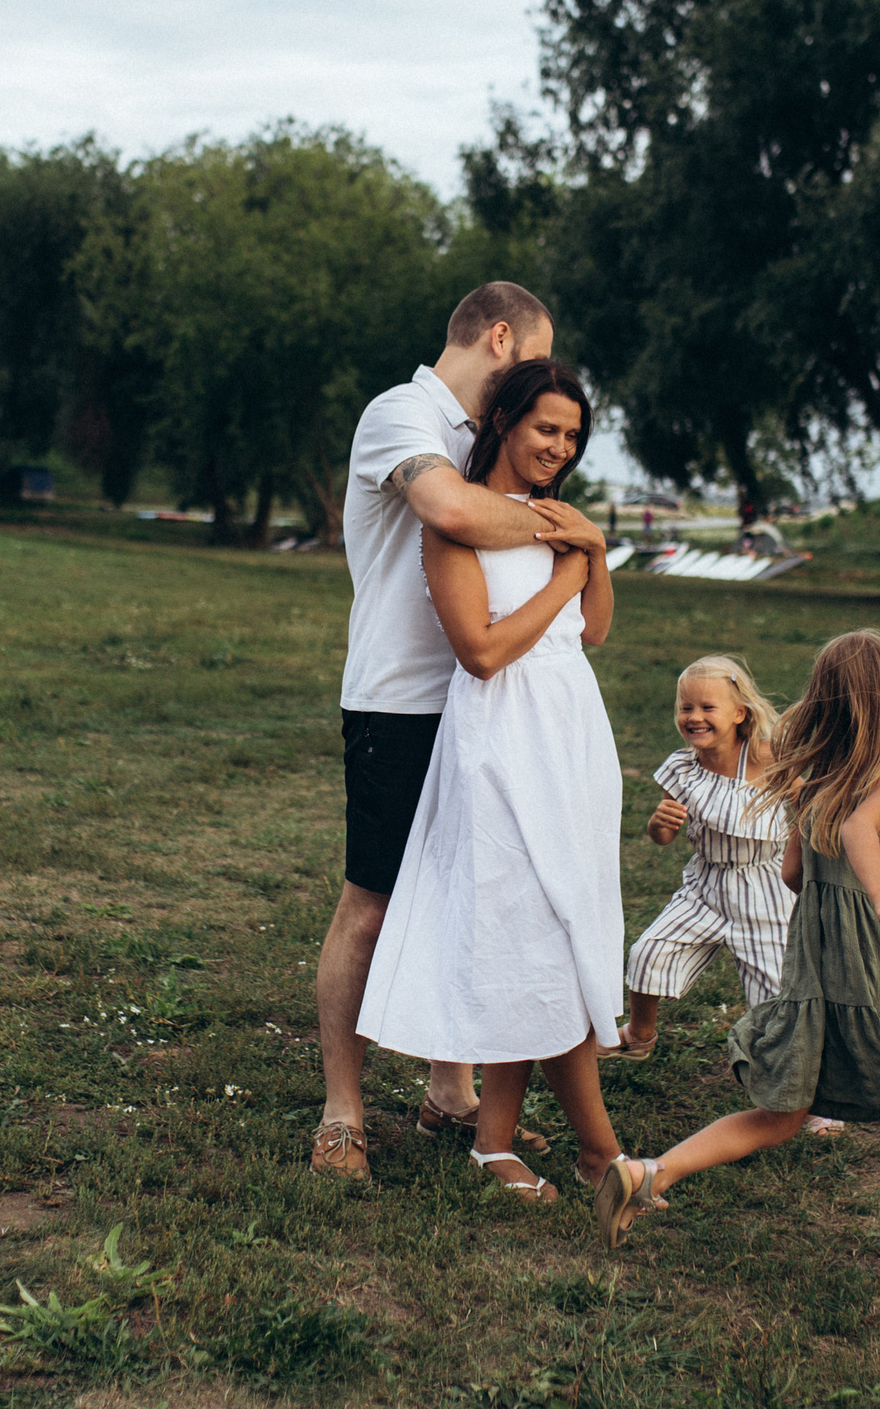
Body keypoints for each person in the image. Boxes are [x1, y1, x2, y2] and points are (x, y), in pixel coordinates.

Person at [595, 630, 880, 1305]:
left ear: (823, 702)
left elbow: (790, 872)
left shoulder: (808, 781)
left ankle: (649, 1172)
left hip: (817, 963)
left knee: (785, 1107)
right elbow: (858, 832)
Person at [313, 282, 602, 1181]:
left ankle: (451, 1091)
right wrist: (571, 532)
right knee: (375, 902)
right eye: (533, 364)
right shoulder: (401, 413)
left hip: (493, 709)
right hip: (403, 700)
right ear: (502, 339)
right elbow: (454, 512)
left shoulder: (487, 441)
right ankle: (342, 1113)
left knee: (484, 899)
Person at [608, 655, 845, 1132]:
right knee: (649, 952)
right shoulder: (682, 769)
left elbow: (811, 804)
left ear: (739, 712)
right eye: (685, 707)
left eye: (707, 707)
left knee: (779, 1000)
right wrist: (659, 827)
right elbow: (663, 836)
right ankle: (639, 1033)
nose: (694, 716)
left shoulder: (768, 758)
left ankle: (816, 1098)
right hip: (707, 885)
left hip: (766, 890)